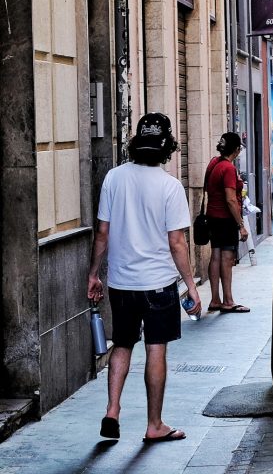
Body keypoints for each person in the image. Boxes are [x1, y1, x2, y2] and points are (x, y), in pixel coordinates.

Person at [87, 112, 199, 443]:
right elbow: (176, 242)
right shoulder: (170, 187)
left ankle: (112, 411)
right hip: (158, 285)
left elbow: (102, 233)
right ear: (167, 149)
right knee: (155, 349)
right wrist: (191, 285)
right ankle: (154, 425)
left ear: (136, 144)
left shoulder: (113, 178)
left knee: (121, 345)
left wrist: (94, 274)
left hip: (121, 282)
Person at [205, 132, 250, 313]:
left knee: (215, 255)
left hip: (213, 216)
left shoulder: (213, 163)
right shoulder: (229, 169)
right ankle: (228, 300)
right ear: (237, 150)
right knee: (226, 258)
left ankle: (215, 299)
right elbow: (231, 199)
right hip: (225, 219)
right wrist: (241, 225)